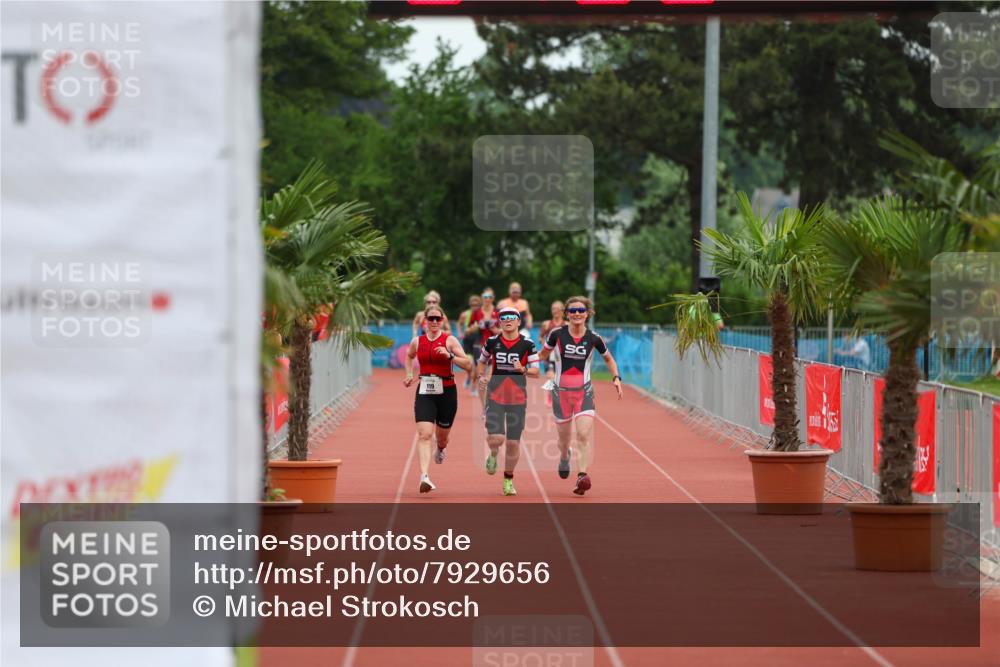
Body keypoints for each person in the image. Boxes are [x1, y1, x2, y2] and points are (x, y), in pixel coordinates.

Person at [538, 296, 623, 496]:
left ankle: (582, 476)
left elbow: (609, 359)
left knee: (583, 435)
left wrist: (616, 378)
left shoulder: (594, 338)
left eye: (581, 310)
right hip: (561, 395)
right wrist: (524, 365)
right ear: (567, 314)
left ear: (587, 313)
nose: (577, 314)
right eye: (573, 310)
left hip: (584, 393)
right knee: (564, 441)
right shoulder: (556, 334)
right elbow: (542, 355)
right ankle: (564, 456)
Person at [403, 304, 472, 493]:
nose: (434, 322)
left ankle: (441, 449)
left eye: (437, 319)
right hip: (425, 390)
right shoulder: (417, 341)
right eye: (431, 318)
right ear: (425, 320)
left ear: (442, 321)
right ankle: (424, 476)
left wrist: (450, 357)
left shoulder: (449, 340)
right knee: (425, 434)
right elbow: (409, 357)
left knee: (442, 438)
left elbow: (467, 364)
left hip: (447, 392)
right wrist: (409, 374)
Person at [477, 307, 540, 496]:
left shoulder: (527, 344)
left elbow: (537, 372)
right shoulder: (492, 342)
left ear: (519, 322)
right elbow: (482, 361)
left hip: (518, 399)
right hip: (495, 395)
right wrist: (482, 376)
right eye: (503, 317)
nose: (508, 320)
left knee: (513, 443)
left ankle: (508, 479)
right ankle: (494, 454)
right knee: (496, 439)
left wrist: (523, 369)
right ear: (499, 322)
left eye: (512, 317)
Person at [469, 287, 500, 398]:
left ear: (493, 298)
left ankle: (488, 390)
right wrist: (475, 327)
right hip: (479, 344)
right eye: (485, 297)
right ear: (482, 298)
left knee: (491, 371)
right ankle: (474, 386)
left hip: (494, 345)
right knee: (479, 370)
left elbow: (504, 330)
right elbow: (468, 329)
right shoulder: (477, 312)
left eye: (490, 297)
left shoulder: (497, 312)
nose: (487, 299)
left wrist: (496, 330)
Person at [457, 294, 483, 390]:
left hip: (478, 340)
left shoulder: (482, 314)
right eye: (473, 305)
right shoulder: (465, 314)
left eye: (477, 305)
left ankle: (474, 385)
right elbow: (459, 324)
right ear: (470, 304)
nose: (475, 307)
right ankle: (469, 376)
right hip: (467, 340)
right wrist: (460, 333)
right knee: (468, 364)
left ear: (480, 305)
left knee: (477, 365)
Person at [538, 300, 566, 381]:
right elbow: (540, 337)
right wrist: (545, 344)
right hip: (549, 356)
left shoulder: (567, 325)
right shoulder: (546, 324)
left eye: (557, 309)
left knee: (561, 381)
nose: (555, 311)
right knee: (551, 378)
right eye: (553, 309)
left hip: (562, 356)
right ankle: (551, 393)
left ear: (562, 311)